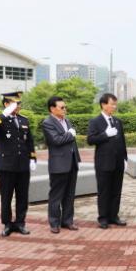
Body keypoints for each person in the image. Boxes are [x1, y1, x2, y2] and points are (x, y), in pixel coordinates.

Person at [0, 91, 36, 237]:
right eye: (14, 104)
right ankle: (7, 224)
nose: (18, 106)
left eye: (19, 103)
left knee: (22, 197)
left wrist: (32, 158)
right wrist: (4, 114)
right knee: (6, 197)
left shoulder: (24, 120)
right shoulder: (0, 119)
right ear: (6, 104)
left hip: (23, 166)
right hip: (6, 166)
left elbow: (29, 141)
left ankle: (20, 223)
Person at [87, 93, 128, 229]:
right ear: (103, 105)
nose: (114, 107)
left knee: (116, 190)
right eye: (112, 104)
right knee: (104, 191)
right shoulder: (95, 121)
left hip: (118, 162)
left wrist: (125, 158)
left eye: (115, 104)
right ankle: (103, 218)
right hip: (104, 162)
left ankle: (114, 216)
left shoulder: (117, 121)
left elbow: (122, 142)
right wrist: (105, 134)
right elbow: (90, 140)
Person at [42, 96, 81, 234]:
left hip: (72, 162)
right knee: (56, 195)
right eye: (62, 107)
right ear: (52, 109)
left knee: (69, 195)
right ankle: (54, 223)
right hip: (58, 164)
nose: (65, 109)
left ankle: (67, 221)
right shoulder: (47, 122)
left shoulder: (67, 120)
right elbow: (56, 140)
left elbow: (70, 142)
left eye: (65, 107)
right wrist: (70, 134)